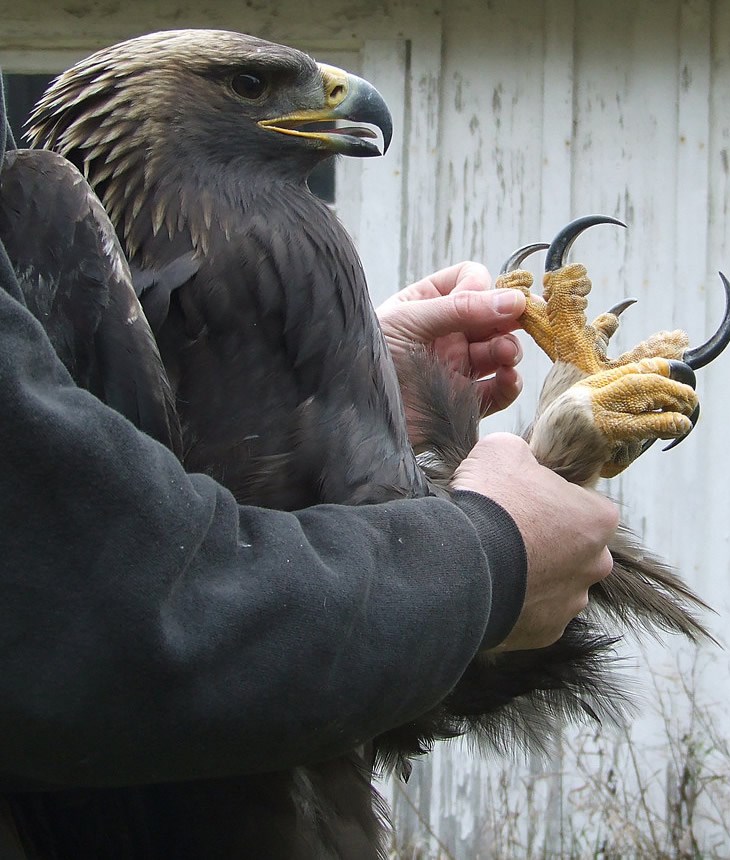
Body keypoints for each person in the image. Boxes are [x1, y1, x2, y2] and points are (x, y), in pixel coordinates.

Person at [0, 96, 617, 850]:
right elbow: (107, 616)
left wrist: (344, 394)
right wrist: (489, 554)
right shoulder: (42, 208)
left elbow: (100, 507)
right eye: (247, 85)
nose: (340, 94)